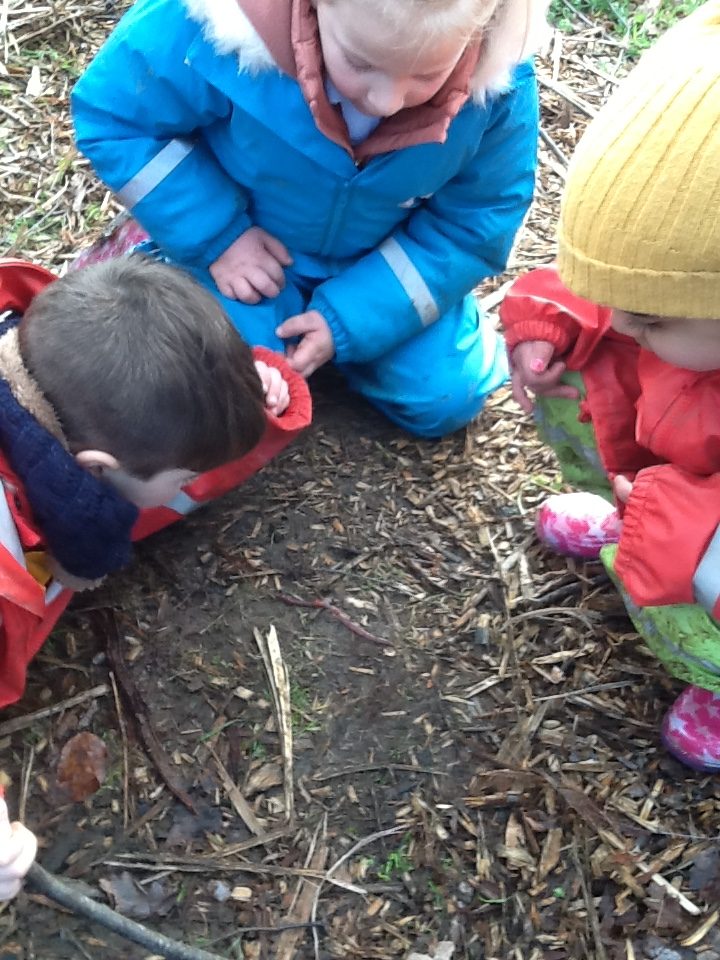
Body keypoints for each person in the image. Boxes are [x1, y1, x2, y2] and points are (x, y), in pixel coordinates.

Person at [71, 0, 548, 438]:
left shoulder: (498, 87)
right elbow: (115, 117)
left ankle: (352, 335)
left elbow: (476, 220)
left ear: (477, 35)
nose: (385, 101)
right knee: (217, 388)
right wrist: (218, 235)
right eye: (361, 63)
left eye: (426, 75)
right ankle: (162, 258)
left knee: (448, 397)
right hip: (249, 251)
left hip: (381, 265)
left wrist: (350, 319)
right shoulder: (212, 26)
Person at [500, 1, 720, 772]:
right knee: (583, 362)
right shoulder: (686, 305)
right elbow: (609, 295)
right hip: (665, 472)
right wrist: (551, 322)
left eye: (650, 315)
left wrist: (669, 525)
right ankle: (623, 513)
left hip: (702, 543)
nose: (622, 321)